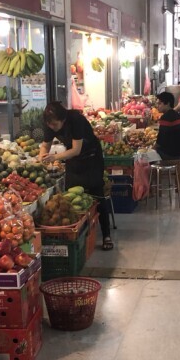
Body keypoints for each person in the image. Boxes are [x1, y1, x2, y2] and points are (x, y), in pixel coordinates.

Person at [39, 102, 113, 251]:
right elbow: (45, 145)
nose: (52, 127)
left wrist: (54, 158)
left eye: (54, 125)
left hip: (91, 157)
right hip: (73, 160)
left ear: (63, 119)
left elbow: (76, 150)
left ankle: (106, 235)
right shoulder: (50, 123)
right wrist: (42, 156)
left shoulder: (76, 119)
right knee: (70, 198)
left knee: (97, 195)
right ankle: (79, 235)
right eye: (49, 125)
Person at [154, 92, 180, 160]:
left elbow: (160, 140)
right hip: (179, 151)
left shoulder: (166, 117)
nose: (157, 106)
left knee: (143, 156)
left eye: (160, 103)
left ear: (168, 103)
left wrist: (152, 148)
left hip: (169, 153)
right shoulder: (176, 114)